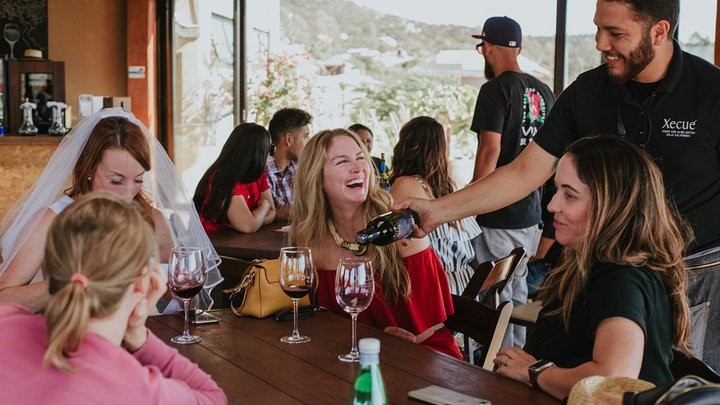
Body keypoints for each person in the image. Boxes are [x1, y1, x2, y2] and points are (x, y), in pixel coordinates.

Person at [396, 0, 720, 371]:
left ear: (659, 31)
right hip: (602, 272)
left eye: (615, 33)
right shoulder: (588, 92)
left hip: (695, 275)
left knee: (686, 389)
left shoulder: (711, 92)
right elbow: (523, 173)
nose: (599, 42)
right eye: (598, 28)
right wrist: (437, 210)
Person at [493, 135, 692, 400]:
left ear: (611, 206)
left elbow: (613, 379)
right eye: (556, 191)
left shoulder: (621, 279)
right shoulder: (587, 265)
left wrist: (534, 371)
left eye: (570, 195)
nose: (552, 206)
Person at [0, 192, 227, 404]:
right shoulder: (136, 387)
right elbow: (213, 397)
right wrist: (139, 335)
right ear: (144, 282)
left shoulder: (7, 320)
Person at [0, 108, 222, 313]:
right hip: (72, 343)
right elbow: (4, 298)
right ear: (88, 170)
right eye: (116, 181)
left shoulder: (153, 220)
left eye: (137, 180)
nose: (127, 194)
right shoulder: (52, 219)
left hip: (142, 340)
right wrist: (71, 283)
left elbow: (184, 304)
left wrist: (171, 291)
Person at [289, 128, 462, 360]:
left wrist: (383, 344)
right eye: (342, 162)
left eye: (361, 158)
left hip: (422, 355)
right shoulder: (309, 240)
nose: (358, 167)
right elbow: (315, 321)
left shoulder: (398, 226)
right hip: (350, 357)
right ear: (316, 178)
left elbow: (430, 327)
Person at [470, 15, 556, 348]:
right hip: (530, 215)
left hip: (498, 213)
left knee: (491, 297)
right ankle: (514, 363)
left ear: (488, 47)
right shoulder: (544, 91)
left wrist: (471, 202)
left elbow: (490, 149)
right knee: (515, 297)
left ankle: (493, 369)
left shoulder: (494, 89)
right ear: (517, 48)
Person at [389, 116, 481, 295]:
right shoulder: (450, 185)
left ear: (405, 146)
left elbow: (400, 249)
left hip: (438, 290)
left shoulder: (405, 184)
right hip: (465, 287)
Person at [194, 123, 276, 233]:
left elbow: (272, 212)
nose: (270, 155)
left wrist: (256, 221)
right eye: (269, 149)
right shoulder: (224, 178)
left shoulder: (257, 175)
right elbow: (248, 226)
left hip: (239, 243)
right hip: (213, 244)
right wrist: (264, 206)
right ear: (256, 154)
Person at [265, 107, 313, 221]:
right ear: (289, 139)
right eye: (305, 136)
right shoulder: (263, 169)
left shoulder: (298, 166)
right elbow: (283, 212)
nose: (309, 141)